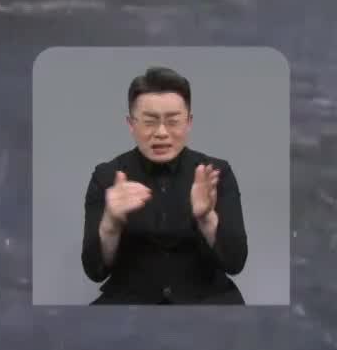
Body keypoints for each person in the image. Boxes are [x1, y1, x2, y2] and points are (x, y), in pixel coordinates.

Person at [81, 66, 248, 304]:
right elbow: (94, 271)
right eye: (149, 122)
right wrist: (111, 224)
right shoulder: (107, 176)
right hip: (129, 305)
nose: (161, 132)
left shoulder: (216, 172)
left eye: (173, 121)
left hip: (206, 302)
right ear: (131, 124)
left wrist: (206, 218)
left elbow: (235, 262)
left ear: (189, 122)